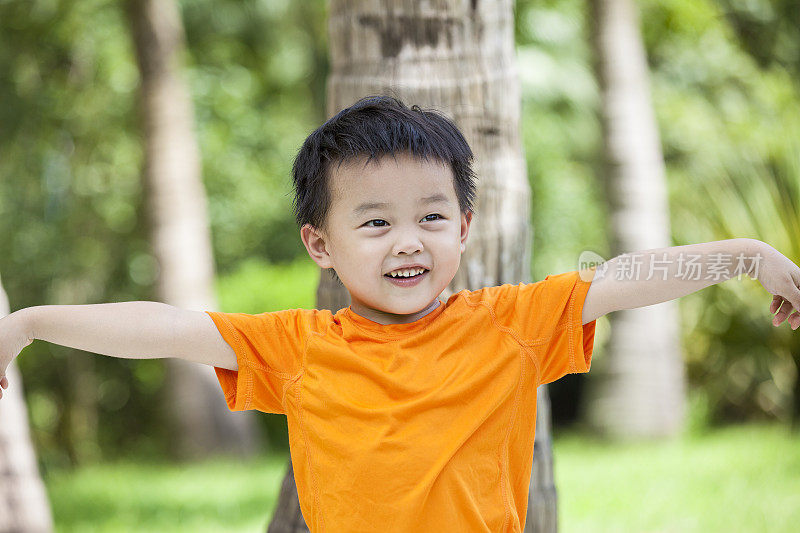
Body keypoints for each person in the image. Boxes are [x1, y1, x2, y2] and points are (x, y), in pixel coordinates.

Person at [1, 95, 799, 532]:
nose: (407, 241)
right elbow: (163, 326)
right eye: (375, 221)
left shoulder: (510, 322)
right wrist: (28, 322)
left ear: (464, 227)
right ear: (320, 243)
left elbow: (621, 277)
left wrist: (752, 256)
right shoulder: (298, 346)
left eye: (431, 216)